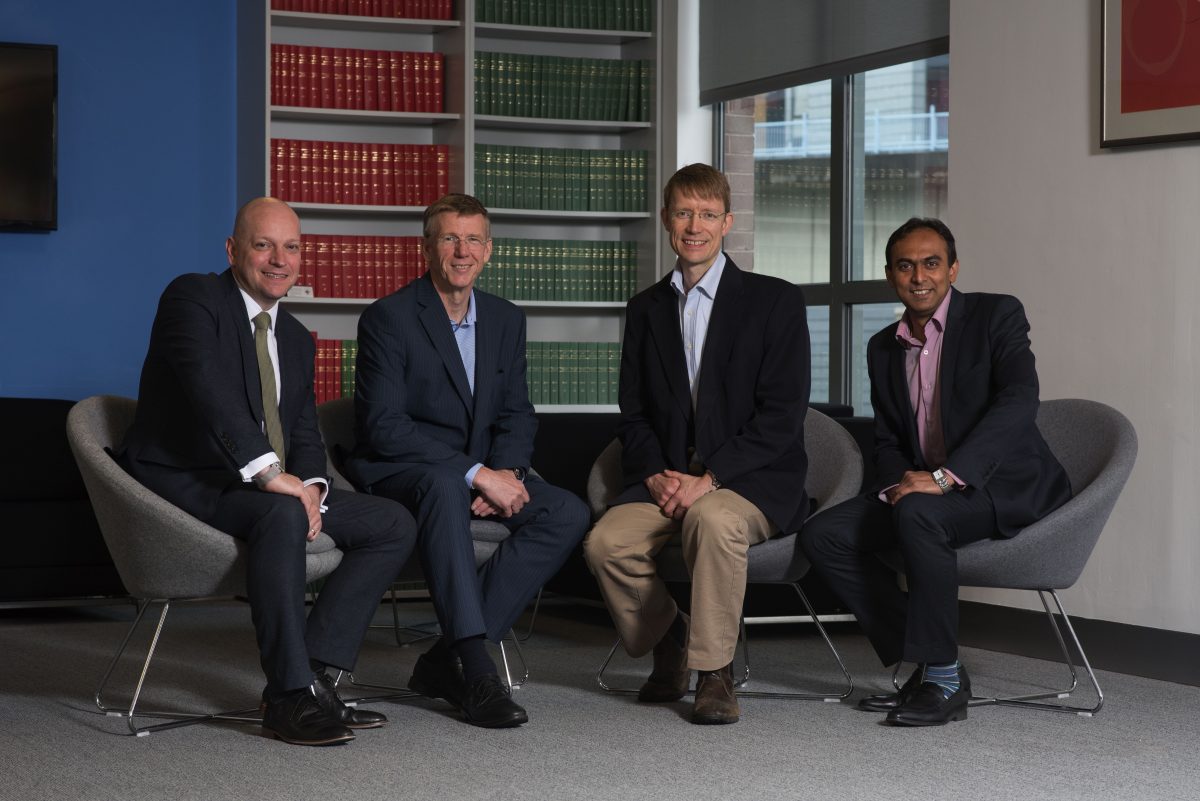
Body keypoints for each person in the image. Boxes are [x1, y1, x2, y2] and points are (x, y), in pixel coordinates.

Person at [117, 197, 416, 746]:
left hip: (268, 484)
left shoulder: (297, 338)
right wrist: (270, 474)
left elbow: (303, 431)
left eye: (292, 247)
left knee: (392, 523)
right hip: (188, 474)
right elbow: (210, 393)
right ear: (233, 250)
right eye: (263, 245)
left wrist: (312, 487)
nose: (279, 259)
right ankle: (285, 696)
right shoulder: (194, 297)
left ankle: (314, 677)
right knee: (279, 511)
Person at [800, 217, 1072, 727]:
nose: (919, 276)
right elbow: (887, 441)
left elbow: (1019, 399)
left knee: (921, 514)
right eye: (906, 265)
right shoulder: (883, 346)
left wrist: (946, 479)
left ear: (952, 269)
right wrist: (900, 485)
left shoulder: (996, 315)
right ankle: (935, 662)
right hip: (926, 490)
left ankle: (942, 680)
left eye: (931, 263)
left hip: (1002, 484)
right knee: (824, 535)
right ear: (890, 275)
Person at [347, 193, 590, 729]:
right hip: (405, 471)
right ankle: (477, 669)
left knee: (566, 511)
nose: (462, 251)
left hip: (481, 472)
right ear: (427, 248)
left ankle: (440, 661)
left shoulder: (505, 319)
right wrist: (475, 473)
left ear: (489, 250)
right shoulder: (389, 318)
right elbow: (384, 427)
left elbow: (518, 414)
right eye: (449, 238)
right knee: (442, 486)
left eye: (473, 239)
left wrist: (508, 474)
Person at [583, 164, 811, 725]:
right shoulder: (645, 309)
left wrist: (709, 479)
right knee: (605, 543)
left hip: (748, 480)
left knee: (711, 521)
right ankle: (674, 637)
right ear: (666, 220)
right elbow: (632, 413)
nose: (695, 225)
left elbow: (782, 417)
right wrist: (658, 474)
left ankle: (714, 674)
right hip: (667, 478)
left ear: (727, 222)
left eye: (707, 214)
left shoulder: (774, 302)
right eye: (684, 212)